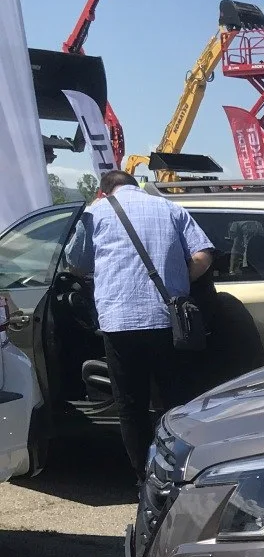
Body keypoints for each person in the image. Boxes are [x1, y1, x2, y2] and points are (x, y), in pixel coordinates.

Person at [66, 169, 216, 480]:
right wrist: (176, 283)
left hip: (119, 323)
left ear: (105, 192)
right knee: (175, 403)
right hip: (168, 320)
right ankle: (181, 474)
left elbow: (76, 265)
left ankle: (143, 479)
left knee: (130, 406)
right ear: (137, 186)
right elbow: (203, 256)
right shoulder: (171, 208)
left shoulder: (95, 213)